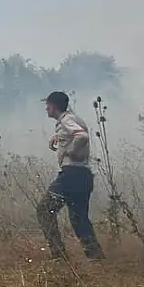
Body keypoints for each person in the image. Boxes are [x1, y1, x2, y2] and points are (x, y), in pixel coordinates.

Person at [37, 91, 104, 260]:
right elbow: (77, 131)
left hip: (71, 176)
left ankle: (58, 255)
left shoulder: (66, 120)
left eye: (47, 106)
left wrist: (70, 150)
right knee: (79, 219)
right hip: (83, 177)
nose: (46, 109)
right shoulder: (72, 119)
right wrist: (58, 136)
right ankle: (96, 257)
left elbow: (81, 136)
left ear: (53, 106)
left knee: (44, 211)